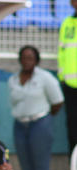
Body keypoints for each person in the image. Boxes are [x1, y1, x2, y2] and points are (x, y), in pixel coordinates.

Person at [9, 45, 64, 170]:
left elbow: (57, 102)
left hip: (39, 124)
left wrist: (44, 118)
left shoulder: (45, 78)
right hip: (20, 125)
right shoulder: (13, 80)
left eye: (31, 57)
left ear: (37, 60)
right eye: (24, 57)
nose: (27, 60)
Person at [58, 0, 77, 157]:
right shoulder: (67, 23)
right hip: (70, 85)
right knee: (72, 126)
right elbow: (62, 51)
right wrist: (62, 77)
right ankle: (74, 167)